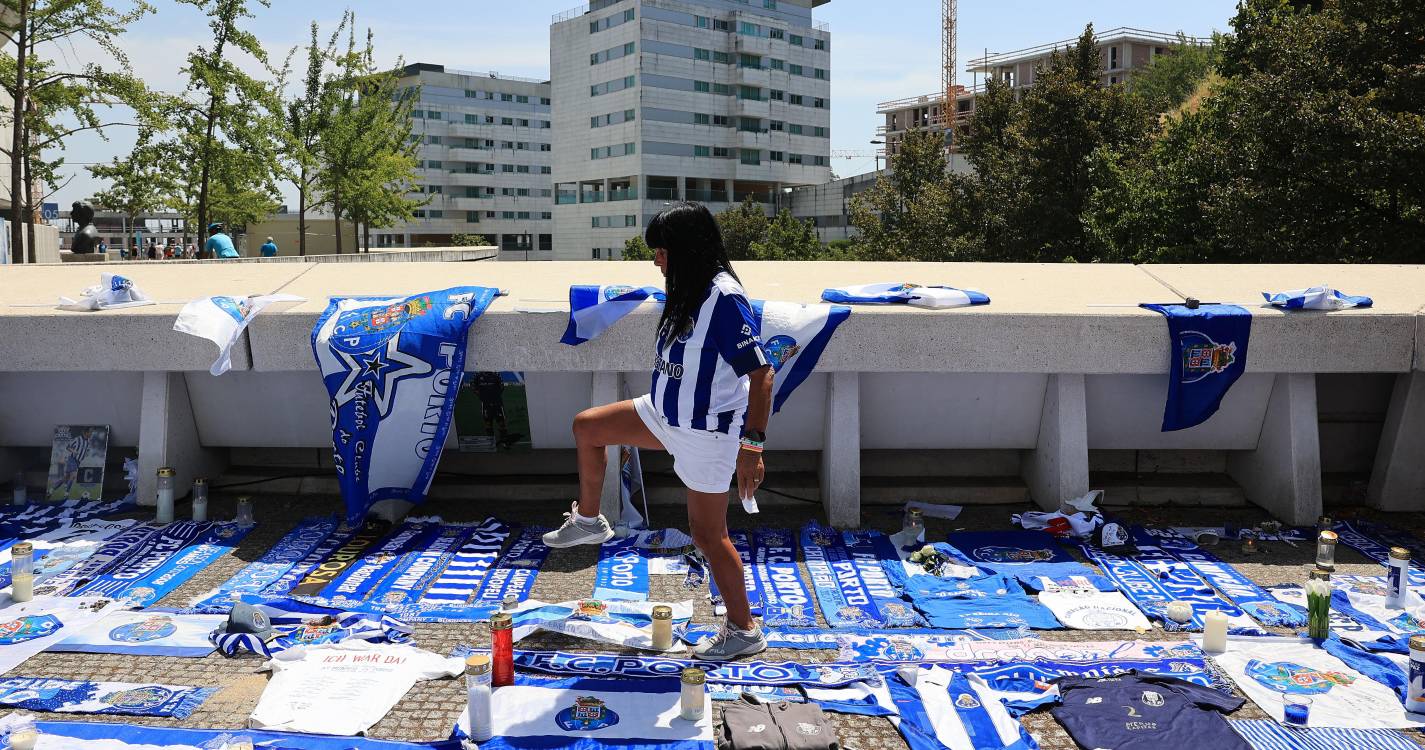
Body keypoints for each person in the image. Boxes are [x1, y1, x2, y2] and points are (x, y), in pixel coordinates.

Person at [541, 202, 774, 660]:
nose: (655, 260)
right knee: (588, 427)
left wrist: (752, 446)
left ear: (686, 249)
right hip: (663, 415)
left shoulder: (723, 298)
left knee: (708, 536)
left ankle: (744, 629)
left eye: (662, 250)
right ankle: (590, 522)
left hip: (706, 432)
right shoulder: (687, 287)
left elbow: (762, 374)